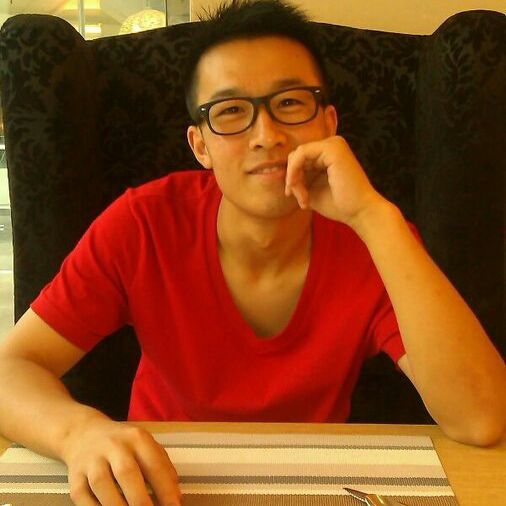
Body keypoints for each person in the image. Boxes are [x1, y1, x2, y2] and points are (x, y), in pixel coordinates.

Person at [0, 0, 505, 505]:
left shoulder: (373, 237)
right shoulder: (142, 225)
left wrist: (374, 216)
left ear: (329, 123)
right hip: (158, 478)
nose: (267, 136)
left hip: (314, 482)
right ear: (200, 146)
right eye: (231, 111)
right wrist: (78, 432)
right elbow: (10, 370)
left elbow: (481, 418)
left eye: (290, 103)